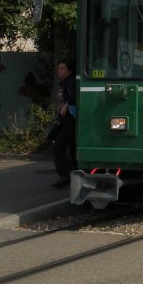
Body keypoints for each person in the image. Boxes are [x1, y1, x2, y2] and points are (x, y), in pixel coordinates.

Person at [51, 58, 77, 189]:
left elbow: (74, 96)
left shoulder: (71, 81)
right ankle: (73, 172)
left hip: (71, 120)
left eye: (62, 68)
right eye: (58, 68)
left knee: (58, 147)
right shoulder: (64, 82)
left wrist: (66, 106)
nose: (59, 71)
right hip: (64, 120)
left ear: (69, 70)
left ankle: (64, 175)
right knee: (71, 147)